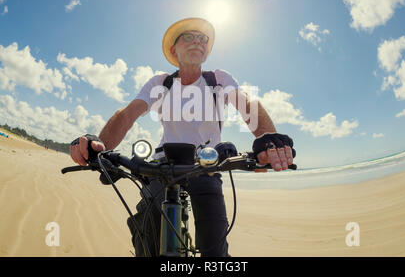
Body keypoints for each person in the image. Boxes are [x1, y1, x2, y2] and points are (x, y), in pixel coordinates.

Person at [70, 17, 295, 257]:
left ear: (206, 51)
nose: (197, 41)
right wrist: (99, 146)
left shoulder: (217, 79)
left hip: (207, 165)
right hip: (161, 165)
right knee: (147, 236)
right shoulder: (161, 82)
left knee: (215, 252)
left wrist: (269, 139)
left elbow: (246, 104)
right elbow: (128, 114)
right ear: (173, 49)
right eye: (188, 37)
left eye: (202, 39)